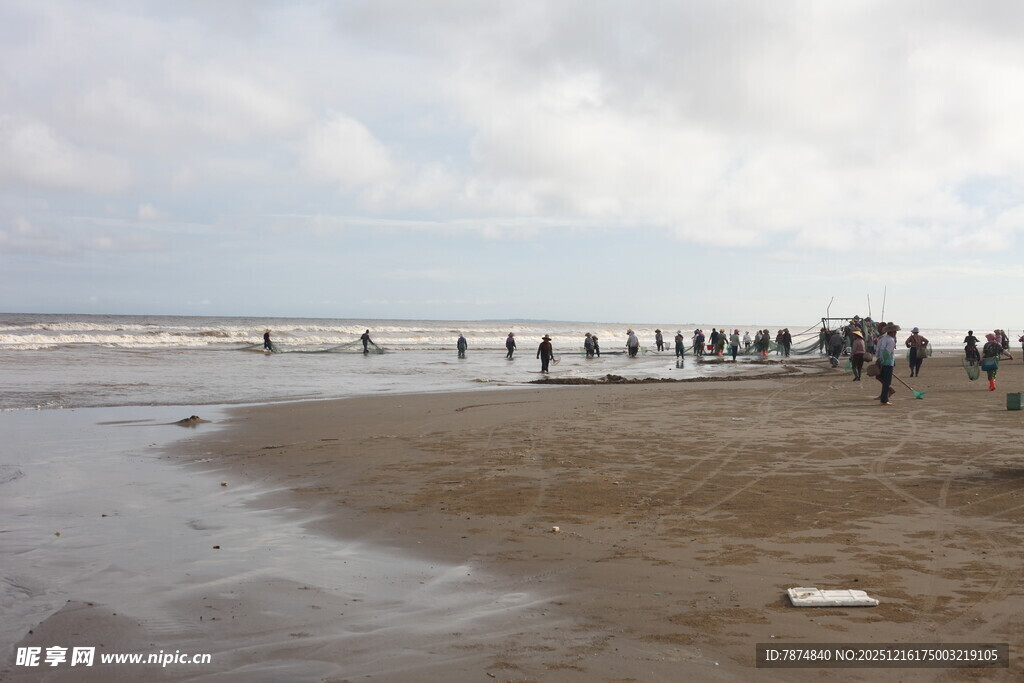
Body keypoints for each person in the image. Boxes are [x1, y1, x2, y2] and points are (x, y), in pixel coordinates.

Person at [876, 323, 899, 404]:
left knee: (885, 381)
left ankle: (884, 399)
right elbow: (887, 352)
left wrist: (879, 360)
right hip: (888, 363)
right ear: (892, 332)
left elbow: (878, 351)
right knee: (887, 382)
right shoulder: (891, 340)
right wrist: (883, 361)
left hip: (882, 361)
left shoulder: (882, 339)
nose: (895, 333)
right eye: (895, 332)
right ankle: (884, 400)